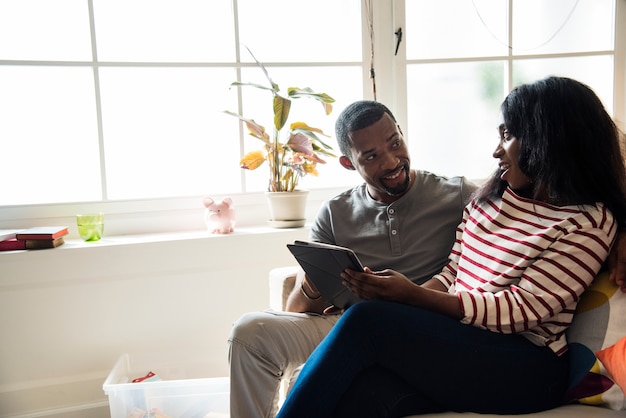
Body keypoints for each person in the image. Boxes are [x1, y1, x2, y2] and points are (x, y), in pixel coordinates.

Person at [276, 76, 626, 417]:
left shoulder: (588, 221)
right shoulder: (492, 198)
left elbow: (522, 311)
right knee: (361, 394)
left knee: (365, 321)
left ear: (547, 140)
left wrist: (411, 297)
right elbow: (453, 271)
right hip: (463, 345)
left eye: (507, 135)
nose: (496, 150)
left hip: (525, 366)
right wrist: (401, 296)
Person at [228, 100, 478, 418]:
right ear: (349, 163)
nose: (391, 162)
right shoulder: (334, 214)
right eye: (371, 156)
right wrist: (314, 284)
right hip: (349, 327)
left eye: (395, 144)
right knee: (249, 334)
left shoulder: (457, 195)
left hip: (426, 327)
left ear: (401, 133)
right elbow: (297, 311)